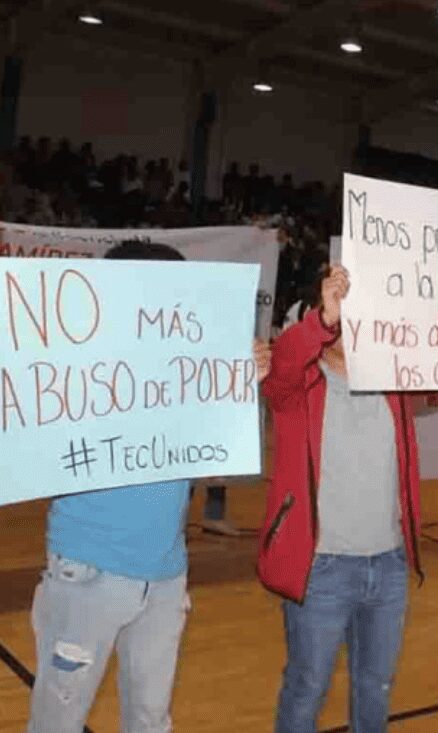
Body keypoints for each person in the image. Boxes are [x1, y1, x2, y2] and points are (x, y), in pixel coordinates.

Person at [262, 266, 438, 732]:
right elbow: (282, 365)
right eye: (344, 313)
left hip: (389, 565)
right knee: (307, 687)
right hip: (322, 569)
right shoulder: (297, 389)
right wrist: (323, 318)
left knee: (376, 687)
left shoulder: (396, 381)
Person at [26, 239, 270, 733]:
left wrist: (238, 381)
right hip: (87, 573)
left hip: (165, 577)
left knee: (150, 721)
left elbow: (210, 445)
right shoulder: (79, 365)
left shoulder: (185, 369)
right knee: (57, 722)